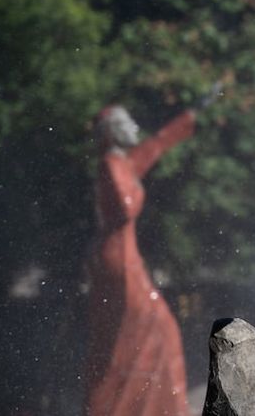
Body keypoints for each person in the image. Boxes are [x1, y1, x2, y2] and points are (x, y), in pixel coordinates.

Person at [85, 90, 217, 416]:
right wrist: (132, 185)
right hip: (119, 263)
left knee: (147, 335)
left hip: (124, 257)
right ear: (113, 132)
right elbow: (125, 206)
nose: (135, 127)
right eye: (127, 123)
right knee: (145, 334)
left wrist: (193, 112)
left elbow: (157, 145)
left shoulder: (122, 164)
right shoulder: (111, 165)